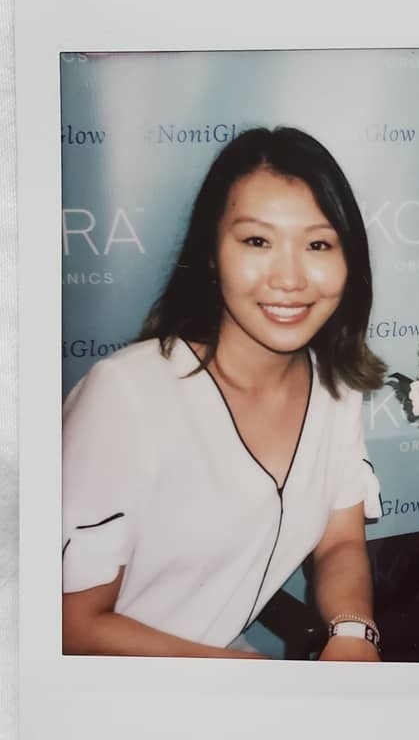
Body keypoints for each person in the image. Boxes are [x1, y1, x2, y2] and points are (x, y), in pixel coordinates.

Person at [62, 127, 386, 661]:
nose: (289, 278)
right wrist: (240, 672)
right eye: (257, 241)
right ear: (212, 253)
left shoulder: (336, 385)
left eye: (318, 244)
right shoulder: (125, 396)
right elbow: (69, 626)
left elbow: (341, 541)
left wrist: (353, 632)